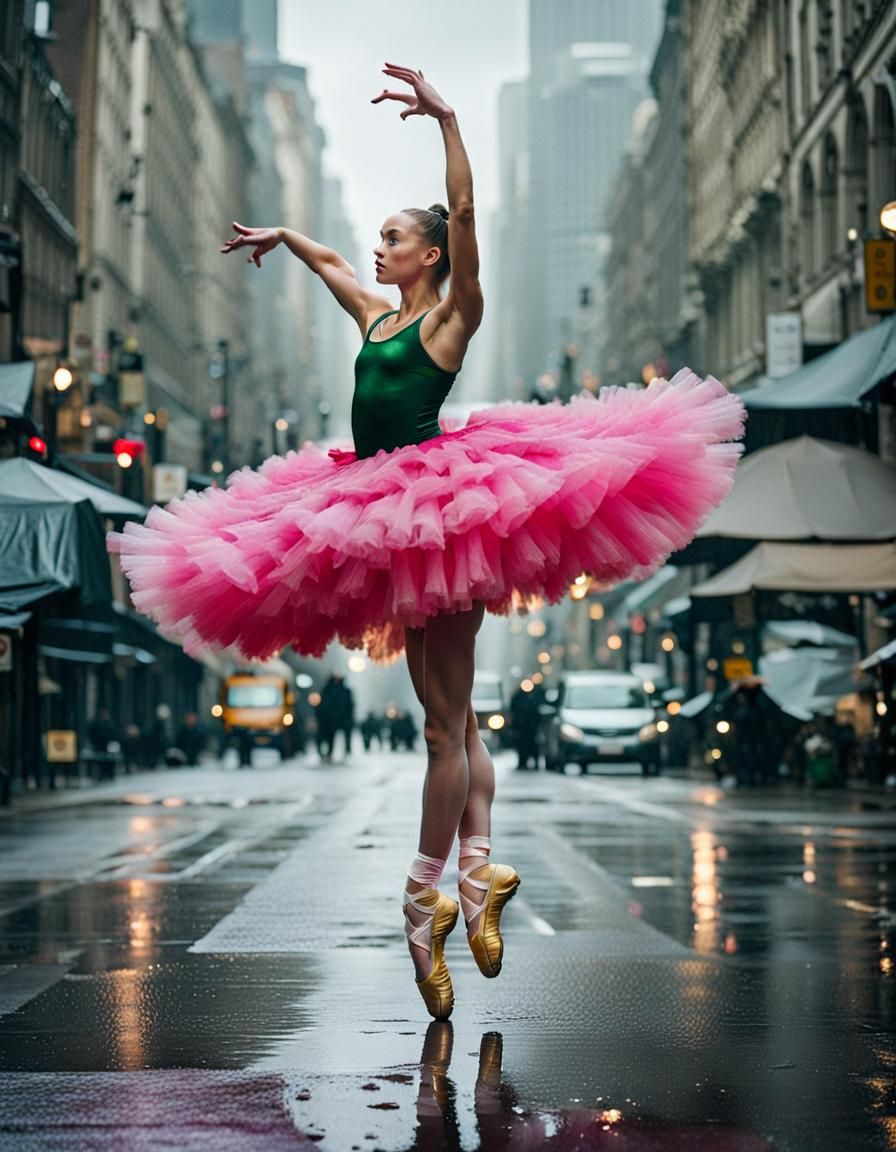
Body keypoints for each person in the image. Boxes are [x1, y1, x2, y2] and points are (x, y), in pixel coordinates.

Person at [109, 64, 744, 1020]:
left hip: (434, 515)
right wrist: (286, 237)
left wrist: (447, 118)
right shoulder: (377, 318)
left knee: (442, 729)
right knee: (464, 723)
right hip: (391, 516)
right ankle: (479, 875)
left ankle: (421, 899)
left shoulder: (450, 322)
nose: (379, 246)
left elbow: (464, 208)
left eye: (396, 238)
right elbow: (331, 269)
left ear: (432, 258)